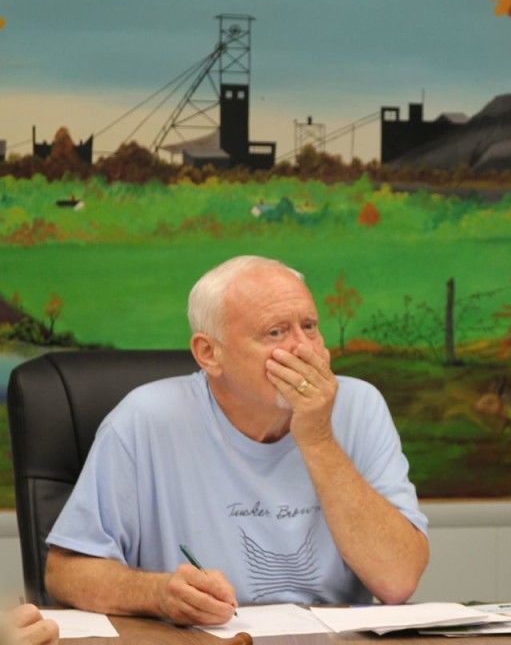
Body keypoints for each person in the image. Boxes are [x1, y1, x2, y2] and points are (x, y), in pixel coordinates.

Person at [44, 255, 429, 625]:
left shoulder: (360, 406)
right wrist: (158, 594)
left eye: (309, 327)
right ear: (209, 353)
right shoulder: (145, 419)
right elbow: (65, 573)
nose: (304, 349)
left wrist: (318, 438)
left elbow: (397, 580)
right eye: (276, 332)